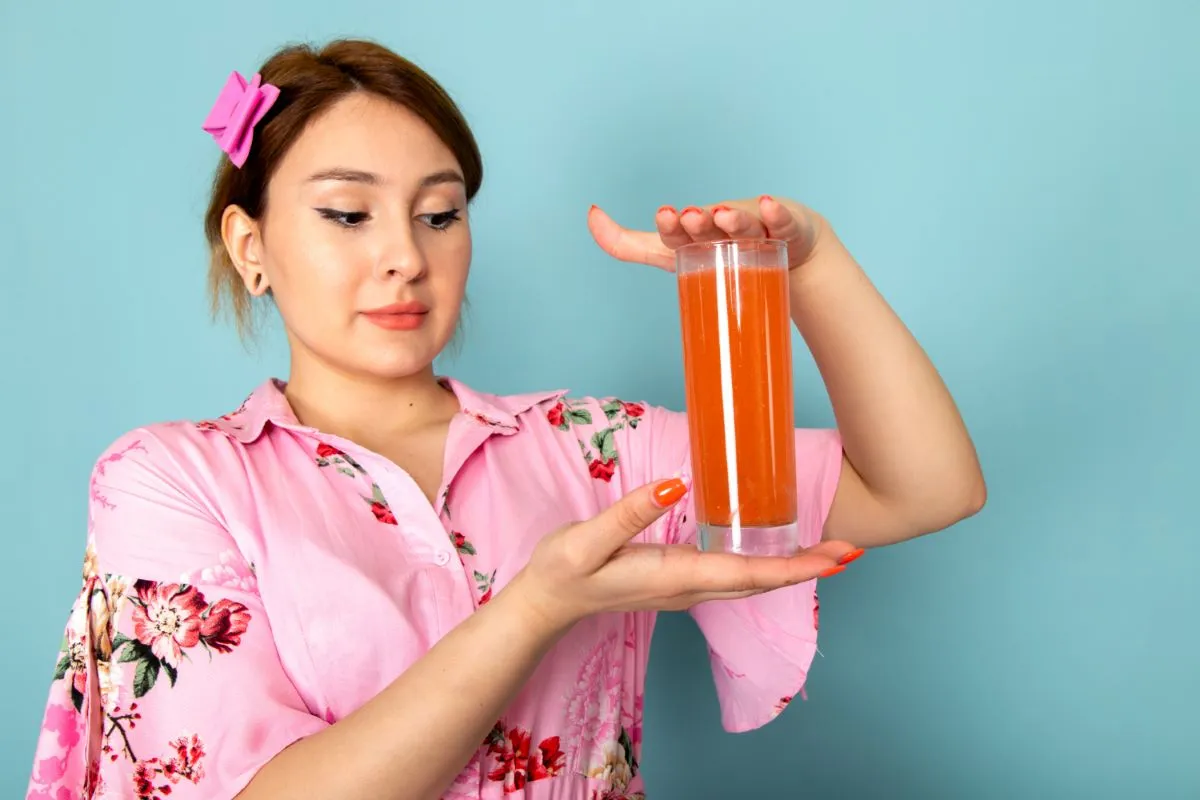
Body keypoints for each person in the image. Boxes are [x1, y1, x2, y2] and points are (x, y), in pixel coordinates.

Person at [25, 37, 985, 800]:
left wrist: (806, 266)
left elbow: (924, 487)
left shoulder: (591, 450)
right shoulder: (176, 480)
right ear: (252, 246)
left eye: (438, 215)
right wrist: (538, 606)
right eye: (348, 216)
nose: (405, 256)